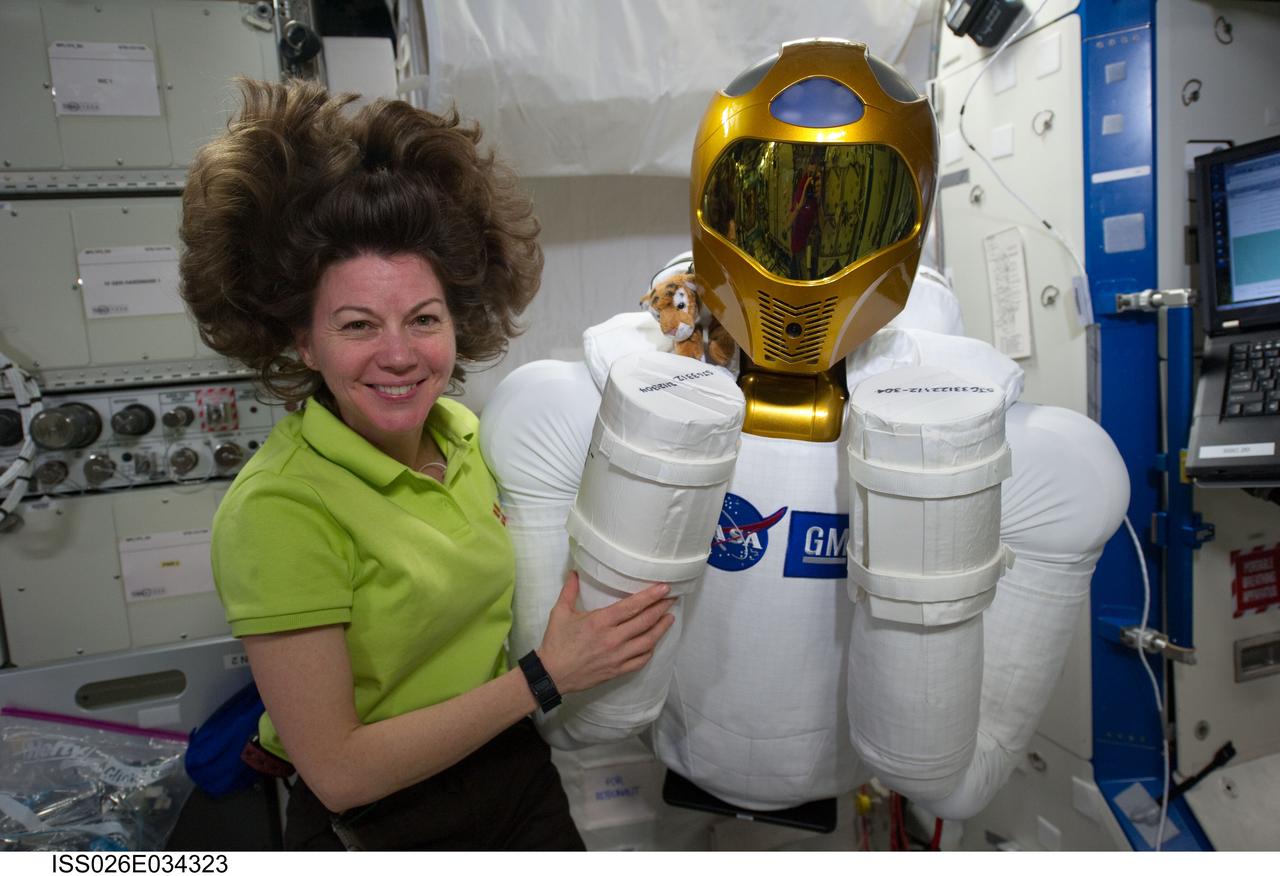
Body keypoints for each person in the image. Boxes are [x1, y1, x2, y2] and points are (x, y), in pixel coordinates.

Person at [480, 39, 1129, 823]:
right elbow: (574, 714)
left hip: (839, 770)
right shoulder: (617, 389)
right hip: (671, 752)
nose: (801, 247)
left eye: (839, 209)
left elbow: (955, 781)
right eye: (774, 202)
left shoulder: (950, 416)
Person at [178, 78, 675, 850]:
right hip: (388, 823)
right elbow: (339, 769)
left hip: (515, 776)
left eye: (423, 319)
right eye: (357, 325)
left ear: (459, 319)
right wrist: (549, 676)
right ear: (303, 341)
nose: (400, 355)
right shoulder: (279, 510)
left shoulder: (462, 435)